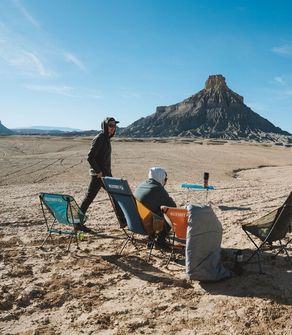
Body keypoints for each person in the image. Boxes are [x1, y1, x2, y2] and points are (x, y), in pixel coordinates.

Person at [77, 117, 120, 232]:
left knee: (115, 195)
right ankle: (77, 223)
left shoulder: (106, 138)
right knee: (89, 198)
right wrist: (98, 171)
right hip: (99, 176)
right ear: (105, 126)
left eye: (114, 126)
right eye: (110, 125)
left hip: (105, 175)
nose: (113, 128)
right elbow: (90, 157)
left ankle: (124, 220)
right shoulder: (100, 138)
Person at [134, 167, 176, 248]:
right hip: (146, 225)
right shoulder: (158, 189)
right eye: (165, 179)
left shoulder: (141, 185)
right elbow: (173, 206)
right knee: (169, 214)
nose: (165, 182)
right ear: (160, 178)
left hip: (135, 222)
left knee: (152, 209)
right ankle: (160, 241)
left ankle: (151, 237)